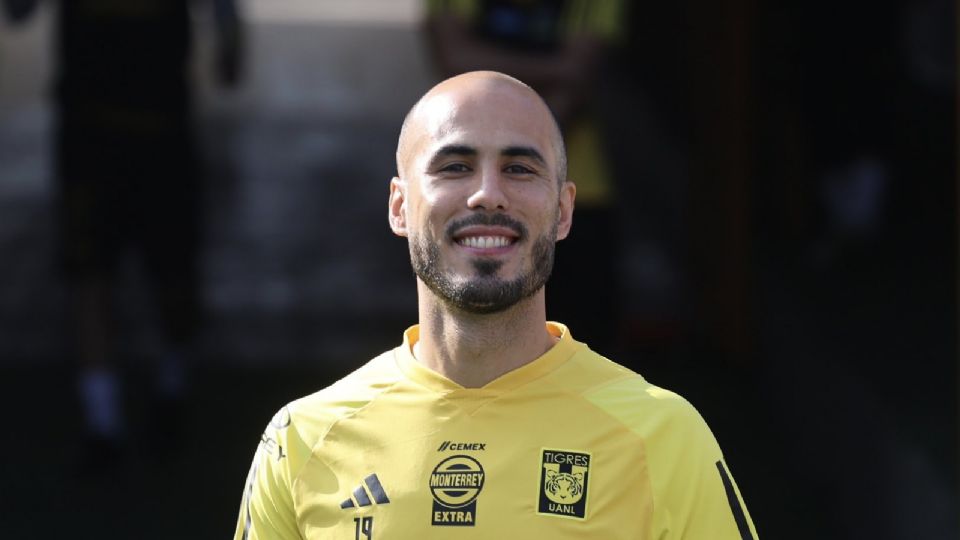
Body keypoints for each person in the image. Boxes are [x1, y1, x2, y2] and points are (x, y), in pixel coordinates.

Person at [234, 71, 758, 539]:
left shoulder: (662, 437)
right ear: (399, 206)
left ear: (563, 210)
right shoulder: (303, 440)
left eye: (520, 169)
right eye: (455, 166)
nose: (487, 194)